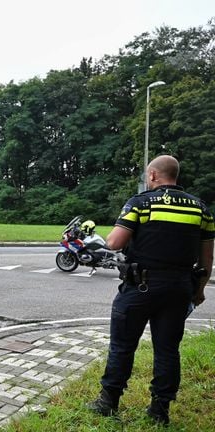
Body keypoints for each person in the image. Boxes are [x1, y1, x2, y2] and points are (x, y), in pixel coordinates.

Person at [87, 155, 214, 425]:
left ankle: (108, 401)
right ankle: (160, 410)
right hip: (179, 288)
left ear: (154, 176)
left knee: (122, 346)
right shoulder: (201, 209)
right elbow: (207, 260)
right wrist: (199, 290)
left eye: (148, 175)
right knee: (168, 349)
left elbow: (114, 242)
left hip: (140, 286)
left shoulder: (141, 203)